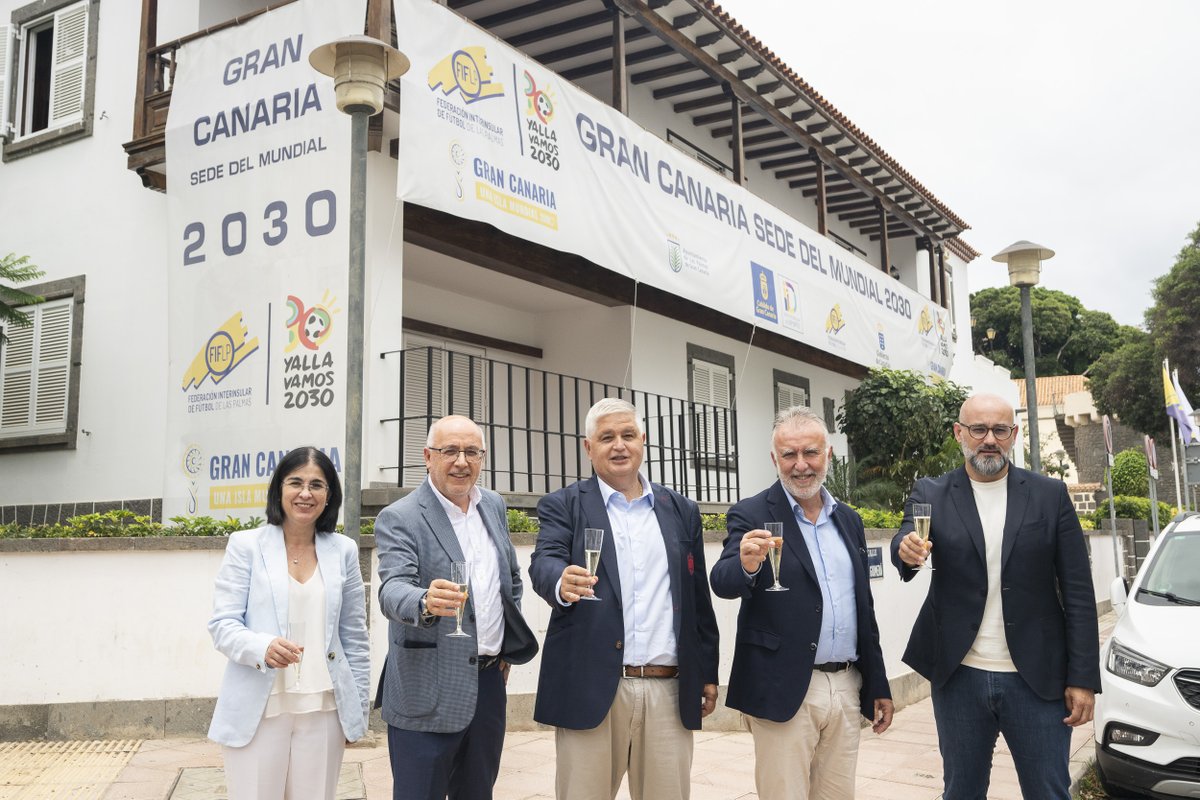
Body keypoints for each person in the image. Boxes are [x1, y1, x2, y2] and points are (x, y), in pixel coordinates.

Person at [891, 392, 1100, 800]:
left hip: (1038, 679)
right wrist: (906, 549)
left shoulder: (1049, 495)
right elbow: (906, 537)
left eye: (1000, 430)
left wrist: (1083, 678)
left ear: (1014, 435)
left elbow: (1078, 592)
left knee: (1049, 792)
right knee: (961, 792)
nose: (989, 439)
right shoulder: (931, 493)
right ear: (959, 433)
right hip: (960, 676)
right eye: (979, 429)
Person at [528, 397, 720, 800]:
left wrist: (706, 671)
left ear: (642, 441)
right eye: (607, 437)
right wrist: (560, 581)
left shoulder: (681, 510)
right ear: (588, 447)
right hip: (591, 687)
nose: (619, 445)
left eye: (628, 435)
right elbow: (544, 561)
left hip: (668, 689)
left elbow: (697, 598)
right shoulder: (564, 505)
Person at [710, 405, 893, 800]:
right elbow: (722, 581)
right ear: (774, 458)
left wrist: (878, 682)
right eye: (789, 454)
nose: (801, 465)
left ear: (828, 454)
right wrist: (745, 564)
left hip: (846, 685)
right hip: (782, 686)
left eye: (810, 452)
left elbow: (864, 608)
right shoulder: (751, 513)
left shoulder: (848, 520)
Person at [374, 415, 538, 800]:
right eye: (450, 451)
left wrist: (505, 649)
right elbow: (392, 589)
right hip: (425, 688)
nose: (461, 461)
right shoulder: (400, 516)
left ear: (482, 457)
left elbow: (511, 578)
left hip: (488, 685)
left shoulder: (492, 504)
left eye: (472, 452)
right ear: (427, 456)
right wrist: (424, 600)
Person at [208, 446, 370, 800]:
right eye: (295, 482)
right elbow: (223, 624)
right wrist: (262, 646)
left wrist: (356, 712)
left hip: (324, 708)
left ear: (329, 495)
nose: (305, 493)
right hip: (260, 708)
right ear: (279, 489)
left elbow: (355, 637)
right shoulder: (246, 545)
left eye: (317, 485)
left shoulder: (343, 550)